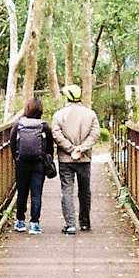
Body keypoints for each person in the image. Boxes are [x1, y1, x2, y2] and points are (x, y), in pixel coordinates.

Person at [51, 84, 100, 235]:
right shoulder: (90, 114)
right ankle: (84, 223)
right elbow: (95, 134)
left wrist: (71, 149)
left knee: (67, 189)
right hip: (84, 158)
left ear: (67, 97)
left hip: (66, 159)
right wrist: (81, 149)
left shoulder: (59, 115)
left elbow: (56, 135)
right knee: (85, 190)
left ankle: (70, 224)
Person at [9, 97, 54, 235]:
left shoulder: (19, 123)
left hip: (21, 162)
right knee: (36, 193)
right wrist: (48, 157)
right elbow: (50, 143)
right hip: (39, 162)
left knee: (22, 192)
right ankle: (34, 224)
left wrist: (15, 156)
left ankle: (20, 221)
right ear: (40, 110)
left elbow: (12, 140)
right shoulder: (43, 125)